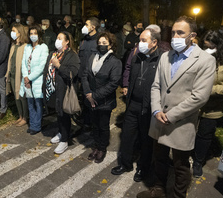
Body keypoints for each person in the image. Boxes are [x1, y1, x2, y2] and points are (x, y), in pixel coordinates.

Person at [137, 16, 216, 198]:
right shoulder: (166, 56)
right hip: (159, 119)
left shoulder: (205, 60)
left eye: (180, 33)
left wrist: (171, 115)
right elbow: (156, 85)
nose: (175, 36)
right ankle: (159, 189)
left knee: (180, 165)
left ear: (192, 35)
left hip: (182, 122)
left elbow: (200, 97)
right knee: (160, 159)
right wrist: (156, 110)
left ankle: (178, 195)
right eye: (173, 32)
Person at [111, 28, 162, 181]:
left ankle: (143, 168)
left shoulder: (161, 60)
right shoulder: (136, 56)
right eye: (139, 40)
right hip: (132, 104)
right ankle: (125, 164)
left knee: (146, 140)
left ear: (154, 43)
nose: (140, 44)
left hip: (148, 107)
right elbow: (130, 75)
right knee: (127, 136)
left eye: (143, 40)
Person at [193, 30, 223, 177]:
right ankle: (183, 155)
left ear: (220, 45)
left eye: (212, 46)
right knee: (188, 131)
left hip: (213, 105)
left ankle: (198, 161)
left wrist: (208, 90)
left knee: (205, 134)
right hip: (194, 103)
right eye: (206, 46)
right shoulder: (199, 56)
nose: (209, 49)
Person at [82, 32, 122, 163]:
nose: (101, 45)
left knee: (103, 126)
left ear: (110, 45)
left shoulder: (115, 62)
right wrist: (88, 94)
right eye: (99, 43)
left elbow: (113, 83)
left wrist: (95, 96)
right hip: (90, 99)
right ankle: (96, 146)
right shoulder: (92, 57)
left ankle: (102, 148)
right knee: (94, 125)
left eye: (104, 43)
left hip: (104, 101)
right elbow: (85, 76)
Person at [43, 31, 80, 154]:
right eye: (57, 38)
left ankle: (65, 140)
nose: (57, 40)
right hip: (53, 89)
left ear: (67, 41)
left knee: (64, 115)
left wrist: (59, 66)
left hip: (64, 90)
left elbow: (72, 74)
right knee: (58, 113)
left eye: (60, 38)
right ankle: (60, 132)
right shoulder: (53, 53)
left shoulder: (72, 55)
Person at [20, 25, 49, 135]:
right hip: (27, 80)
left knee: (37, 103)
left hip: (37, 80)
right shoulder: (27, 47)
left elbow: (42, 66)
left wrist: (30, 77)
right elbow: (23, 63)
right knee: (30, 103)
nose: (33, 36)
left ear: (39, 35)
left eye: (35, 33)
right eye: (31, 33)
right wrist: (25, 76)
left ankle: (36, 126)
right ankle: (32, 124)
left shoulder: (43, 47)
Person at [5, 23, 29, 125]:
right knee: (16, 96)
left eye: (14, 31)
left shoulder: (25, 46)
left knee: (22, 96)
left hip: (21, 75)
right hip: (13, 74)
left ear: (19, 33)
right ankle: (20, 115)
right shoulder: (13, 45)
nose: (12, 33)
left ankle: (25, 117)